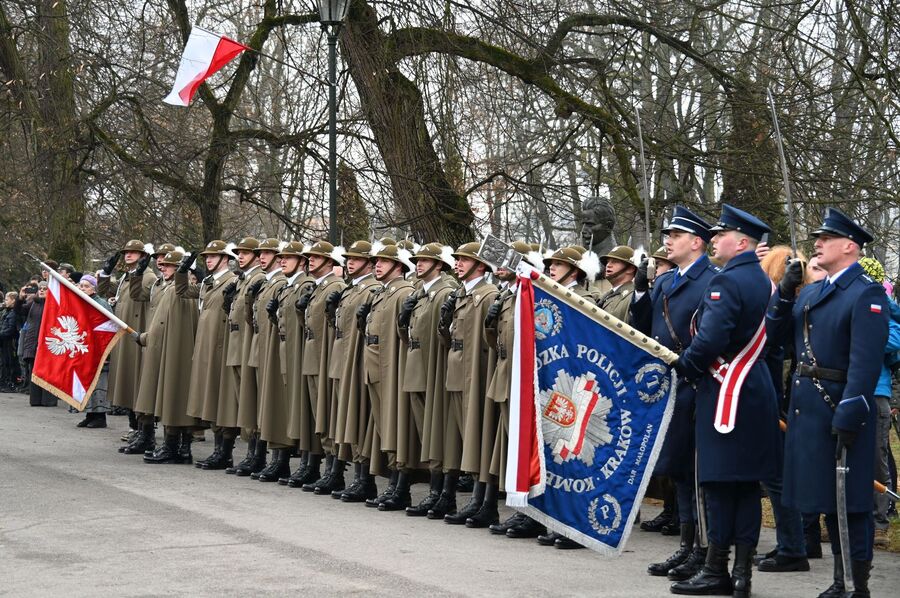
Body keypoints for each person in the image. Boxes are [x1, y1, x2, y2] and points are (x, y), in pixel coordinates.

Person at [767, 207, 888, 597]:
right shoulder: (812, 292)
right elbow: (774, 339)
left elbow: (865, 361)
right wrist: (784, 294)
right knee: (825, 500)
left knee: (848, 502)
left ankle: (854, 585)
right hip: (808, 410)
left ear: (850, 246)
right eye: (817, 238)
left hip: (839, 407)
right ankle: (839, 581)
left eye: (826, 238)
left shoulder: (865, 292)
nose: (817, 244)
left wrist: (850, 411)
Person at [671, 204, 780, 597]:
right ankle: (742, 574)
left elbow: (710, 339)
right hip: (757, 388)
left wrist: (685, 365)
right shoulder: (764, 281)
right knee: (746, 485)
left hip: (725, 393)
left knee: (717, 482)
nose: (714, 240)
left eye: (721, 235)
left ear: (742, 243)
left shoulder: (727, 282)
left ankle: (716, 568)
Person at [631, 206, 719, 581]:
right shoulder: (666, 282)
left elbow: (711, 335)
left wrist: (688, 365)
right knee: (680, 470)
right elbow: (643, 326)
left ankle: (704, 549)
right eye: (667, 235)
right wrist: (640, 290)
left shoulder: (712, 280)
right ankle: (686, 545)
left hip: (697, 384)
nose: (667, 241)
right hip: (669, 385)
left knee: (697, 471)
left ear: (696, 242)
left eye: (676, 235)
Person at [433, 242, 498, 525]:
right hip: (457, 370)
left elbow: (486, 342)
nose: (458, 264)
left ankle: (483, 501)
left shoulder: (487, 295)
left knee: (478, 437)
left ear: (481, 266)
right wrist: (444, 322)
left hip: (476, 374)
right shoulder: (462, 294)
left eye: (464, 260)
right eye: (457, 259)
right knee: (463, 435)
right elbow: (450, 339)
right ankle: (473, 498)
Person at [398, 243, 457, 515]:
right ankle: (436, 491)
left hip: (431, 368)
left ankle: (442, 493)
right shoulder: (421, 292)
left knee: (437, 431)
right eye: (417, 260)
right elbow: (410, 335)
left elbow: (440, 337)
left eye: (424, 260)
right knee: (426, 431)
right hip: (416, 367)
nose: (418, 264)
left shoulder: (443, 292)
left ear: (438, 264)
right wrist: (403, 319)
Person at [359, 243, 415, 508]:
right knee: (384, 425)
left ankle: (399, 486)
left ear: (399, 266)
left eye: (384, 261)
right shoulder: (384, 293)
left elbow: (401, 337)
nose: (377, 265)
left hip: (390, 366)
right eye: (376, 261)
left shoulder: (403, 293)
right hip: (375, 365)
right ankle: (394, 482)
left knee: (394, 426)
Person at [329, 240, 381, 500]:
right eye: (348, 259)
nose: (350, 263)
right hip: (345, 358)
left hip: (359, 359)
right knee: (348, 417)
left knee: (359, 417)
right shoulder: (353, 289)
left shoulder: (371, 290)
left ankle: (364, 480)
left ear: (369, 263)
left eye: (356, 259)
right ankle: (353, 476)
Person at [856, 257, 900, 549]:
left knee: (876, 459)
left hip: (876, 391)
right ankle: (844, 517)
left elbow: (894, 340)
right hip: (844, 390)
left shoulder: (885, 307)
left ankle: (879, 523)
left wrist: (862, 338)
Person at [298, 241, 347, 492]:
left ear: (329, 261)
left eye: (316, 257)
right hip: (313, 355)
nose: (311, 260)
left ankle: (334, 470)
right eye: (310, 257)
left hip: (325, 356)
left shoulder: (335, 286)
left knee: (328, 414)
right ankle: (327, 467)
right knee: (319, 415)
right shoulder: (319, 287)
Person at [185, 241, 238, 469]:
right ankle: (218, 450)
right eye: (206, 256)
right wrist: (182, 272)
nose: (208, 260)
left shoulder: (232, 281)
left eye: (213, 256)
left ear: (225, 259)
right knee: (211, 398)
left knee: (221, 399)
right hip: (206, 346)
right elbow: (183, 290)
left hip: (220, 346)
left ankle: (224, 452)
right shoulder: (208, 282)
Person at [98, 241, 157, 442]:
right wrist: (106, 273)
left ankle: (142, 428)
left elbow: (141, 295)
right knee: (127, 380)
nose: (128, 255)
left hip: (137, 330)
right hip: (125, 333)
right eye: (126, 252)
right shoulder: (127, 275)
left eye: (134, 252)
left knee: (136, 380)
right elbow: (106, 291)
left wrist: (137, 275)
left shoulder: (148, 276)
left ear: (143, 256)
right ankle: (134, 426)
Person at [219, 238, 267, 474]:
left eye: (246, 253)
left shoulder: (259, 279)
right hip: (237, 344)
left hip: (248, 344)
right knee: (244, 401)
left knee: (252, 401)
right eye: (239, 253)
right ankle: (251, 453)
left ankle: (257, 455)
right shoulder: (244, 279)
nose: (240, 256)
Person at [73, 275, 112, 427]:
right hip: (84, 349)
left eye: (86, 286)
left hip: (98, 349)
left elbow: (108, 328)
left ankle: (100, 417)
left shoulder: (102, 304)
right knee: (87, 382)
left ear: (94, 289)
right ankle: (90, 414)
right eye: (81, 286)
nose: (82, 289)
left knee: (98, 384)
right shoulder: (80, 302)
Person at [20, 281, 57, 407]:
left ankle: (48, 400)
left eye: (45, 288)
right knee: (34, 370)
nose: (41, 290)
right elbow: (19, 311)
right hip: (32, 341)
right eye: (40, 288)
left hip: (48, 342)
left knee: (48, 371)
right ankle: (35, 399)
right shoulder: (33, 303)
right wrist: (20, 298)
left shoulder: (54, 304)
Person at [596, 245, 638, 321]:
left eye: (615, 262)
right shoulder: (606, 296)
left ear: (630, 269)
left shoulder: (633, 297)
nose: (608, 265)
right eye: (608, 262)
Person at [0, 291, 22, 392]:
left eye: (7, 299)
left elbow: (11, 329)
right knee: (4, 363)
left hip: (11, 342)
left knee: (10, 363)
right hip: (4, 341)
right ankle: (5, 382)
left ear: (13, 300)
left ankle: (11, 383)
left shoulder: (14, 313)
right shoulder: (6, 311)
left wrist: (1, 334)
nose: (5, 301)